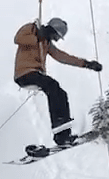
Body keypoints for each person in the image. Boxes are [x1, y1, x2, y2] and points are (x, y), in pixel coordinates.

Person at [14, 17, 102, 146]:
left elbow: (62, 57)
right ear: (51, 30)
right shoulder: (31, 29)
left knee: (61, 93)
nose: (55, 40)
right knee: (52, 86)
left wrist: (86, 64)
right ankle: (60, 131)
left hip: (36, 74)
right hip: (24, 73)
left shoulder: (46, 43)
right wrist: (37, 37)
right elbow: (18, 39)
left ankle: (63, 134)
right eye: (56, 36)